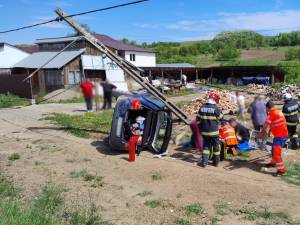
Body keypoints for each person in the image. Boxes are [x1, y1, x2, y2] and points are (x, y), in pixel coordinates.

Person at [260, 101, 289, 176]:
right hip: (281, 135)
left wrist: (262, 133)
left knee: (276, 154)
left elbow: (266, 124)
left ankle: (281, 171)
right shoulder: (278, 112)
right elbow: (274, 123)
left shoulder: (272, 113)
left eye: (266, 109)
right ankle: (273, 163)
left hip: (280, 137)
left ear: (267, 108)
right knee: (273, 150)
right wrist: (270, 130)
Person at [197, 90, 223, 167]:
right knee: (216, 147)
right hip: (214, 132)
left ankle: (204, 162)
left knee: (206, 147)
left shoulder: (201, 108)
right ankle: (216, 163)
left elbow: (198, 119)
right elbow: (221, 118)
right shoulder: (216, 108)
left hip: (204, 131)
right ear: (214, 100)